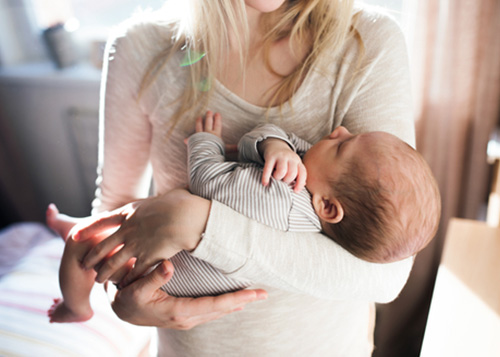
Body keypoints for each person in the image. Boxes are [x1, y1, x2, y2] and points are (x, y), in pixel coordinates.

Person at [55, 0, 428, 355]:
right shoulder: (141, 48)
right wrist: (122, 302)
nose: (339, 133)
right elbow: (112, 212)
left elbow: (387, 275)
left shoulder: (368, 42)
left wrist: (196, 224)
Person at [47, 110, 440, 315]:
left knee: (79, 247)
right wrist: (274, 146)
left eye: (342, 146)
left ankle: (77, 306)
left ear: (328, 207)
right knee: (105, 224)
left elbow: (207, 183)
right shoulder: (312, 185)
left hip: (150, 270)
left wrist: (205, 143)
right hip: (158, 238)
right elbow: (272, 138)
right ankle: (83, 224)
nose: (338, 130)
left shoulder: (282, 203)